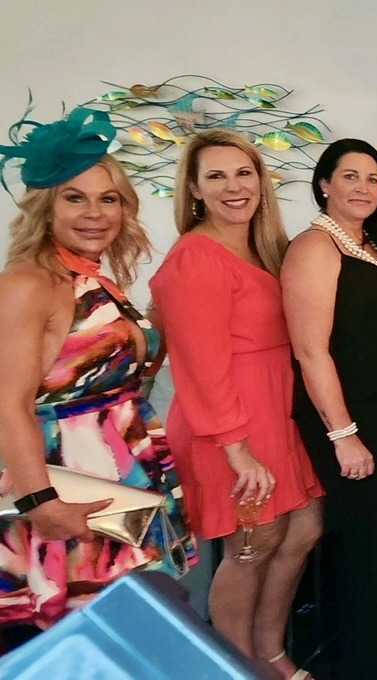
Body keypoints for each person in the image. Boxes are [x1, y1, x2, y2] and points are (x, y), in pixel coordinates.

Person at [0, 107, 195, 630]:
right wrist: (40, 502)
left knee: (122, 631)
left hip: (117, 474)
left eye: (108, 199)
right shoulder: (29, 283)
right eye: (75, 198)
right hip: (65, 486)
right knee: (79, 638)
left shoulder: (87, 276)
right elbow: (8, 404)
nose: (95, 213)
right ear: (45, 207)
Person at [151, 130, 323, 678]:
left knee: (304, 528)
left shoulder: (263, 247)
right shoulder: (194, 258)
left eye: (243, 173)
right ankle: (236, 665)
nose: (233, 186)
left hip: (275, 410)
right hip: (229, 421)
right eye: (217, 176)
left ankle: (268, 651)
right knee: (253, 542)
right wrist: (236, 447)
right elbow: (200, 364)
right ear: (195, 189)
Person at [281, 139, 377, 678]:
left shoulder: (374, 249)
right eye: (350, 176)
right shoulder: (315, 247)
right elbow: (311, 351)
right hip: (349, 422)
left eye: (373, 178)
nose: (364, 187)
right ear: (324, 184)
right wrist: (344, 434)